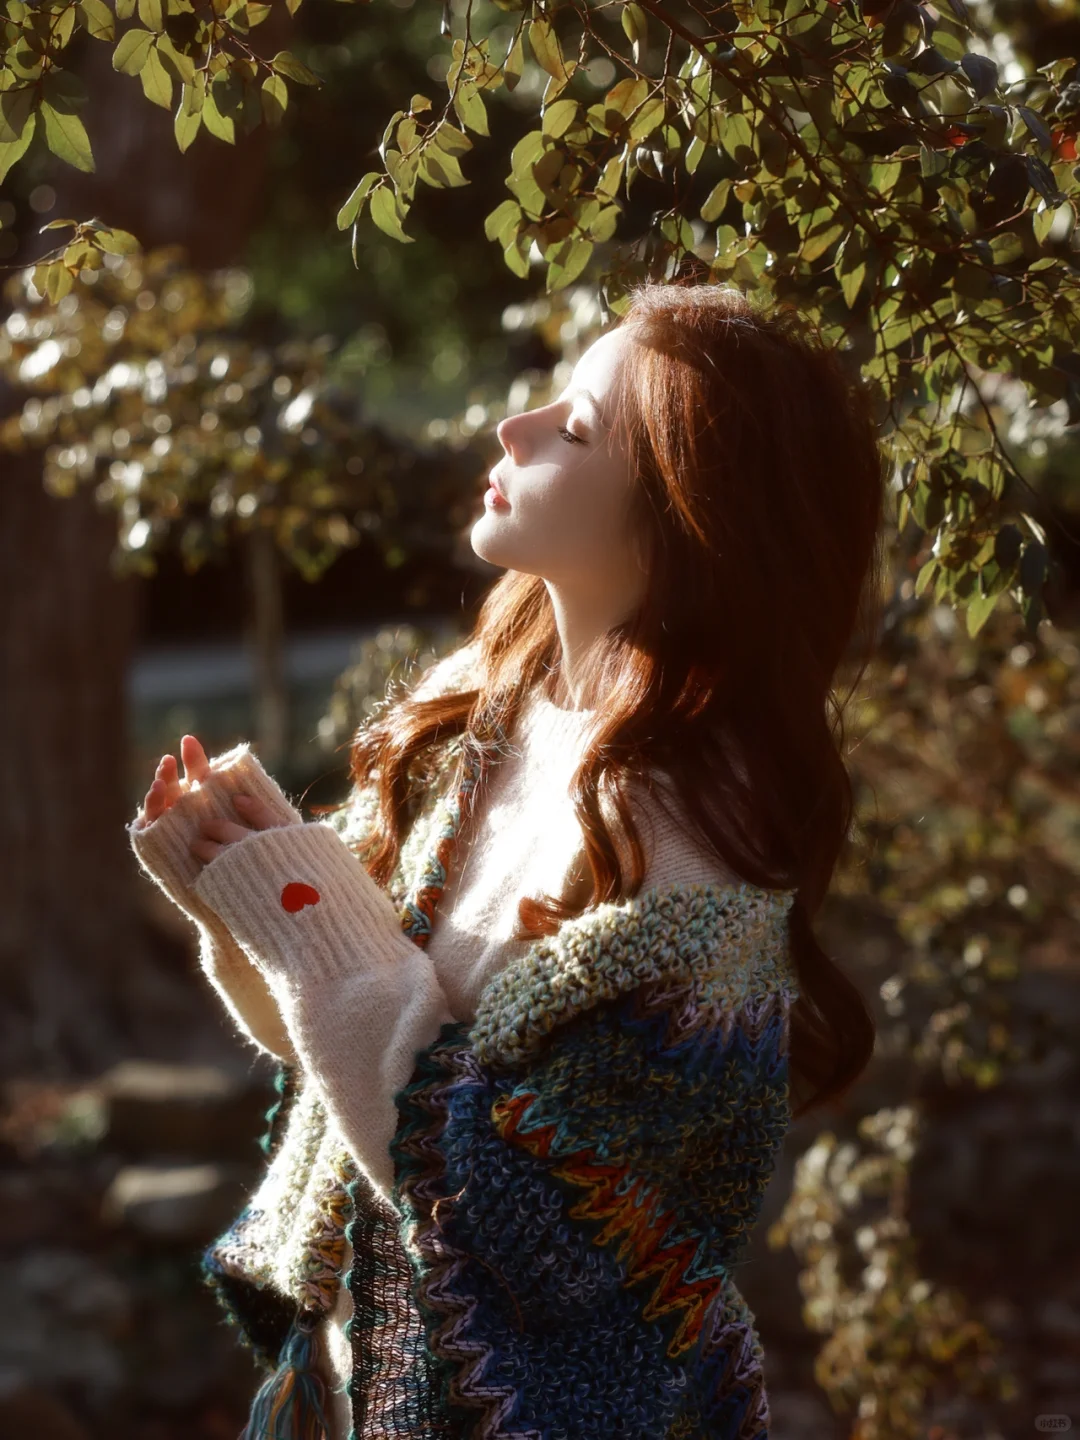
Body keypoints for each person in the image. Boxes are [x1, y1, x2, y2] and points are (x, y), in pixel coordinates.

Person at [128, 279, 887, 1439]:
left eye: (575, 429)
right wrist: (237, 885)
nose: (511, 430)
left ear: (684, 515)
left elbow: (505, 1212)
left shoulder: (693, 856)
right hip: (348, 1382)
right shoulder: (485, 714)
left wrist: (301, 902)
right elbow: (345, 1062)